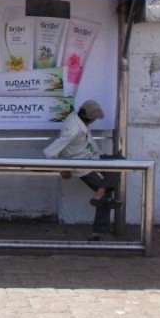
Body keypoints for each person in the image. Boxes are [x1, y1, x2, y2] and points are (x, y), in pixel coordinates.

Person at [44, 99, 122, 241]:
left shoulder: (76, 116)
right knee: (106, 193)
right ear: (91, 119)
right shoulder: (73, 130)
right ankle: (97, 229)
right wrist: (62, 168)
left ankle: (100, 193)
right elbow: (50, 152)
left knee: (119, 162)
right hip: (82, 166)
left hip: (94, 157)